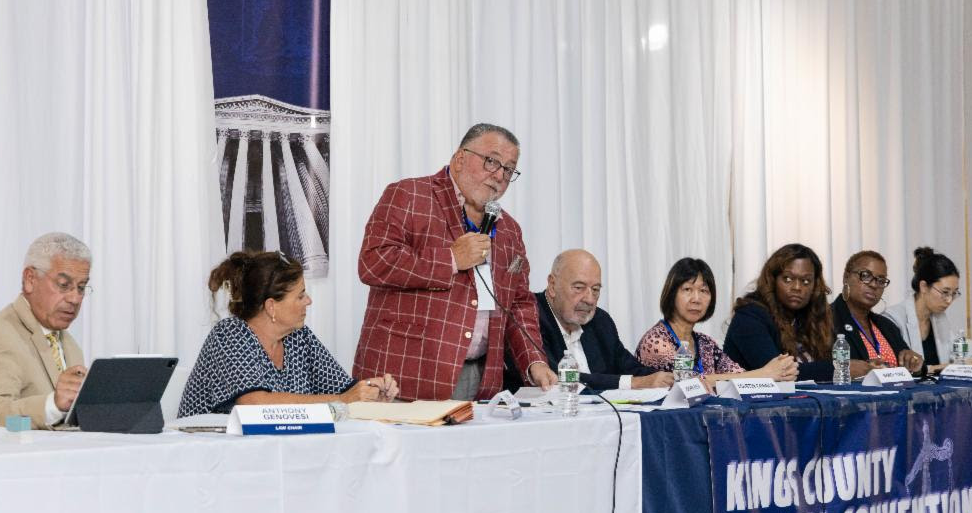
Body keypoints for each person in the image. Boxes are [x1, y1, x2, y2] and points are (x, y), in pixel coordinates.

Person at [352, 124, 557, 401]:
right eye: (491, 161)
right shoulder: (409, 195)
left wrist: (534, 361)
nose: (499, 175)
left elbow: (519, 303)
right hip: (405, 375)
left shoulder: (508, 229)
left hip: (481, 379)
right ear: (460, 158)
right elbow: (374, 262)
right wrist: (450, 259)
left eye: (509, 170)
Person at [178, 250, 398, 417]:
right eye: (300, 296)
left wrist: (371, 392)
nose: (309, 301)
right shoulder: (230, 334)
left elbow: (345, 390)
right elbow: (254, 404)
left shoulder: (299, 337)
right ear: (272, 306)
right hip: (212, 460)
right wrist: (342, 400)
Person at [0, 232, 91, 430]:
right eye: (64, 285)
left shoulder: (69, 344)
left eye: (81, 287)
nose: (75, 298)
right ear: (30, 279)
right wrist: (53, 405)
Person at [507, 249, 673, 393]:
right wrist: (635, 383)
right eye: (579, 288)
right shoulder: (529, 316)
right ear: (552, 285)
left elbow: (632, 368)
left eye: (595, 290)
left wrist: (673, 381)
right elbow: (559, 377)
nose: (589, 299)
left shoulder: (601, 321)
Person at [725, 243, 874, 382]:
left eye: (806, 281)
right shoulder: (750, 317)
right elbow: (779, 373)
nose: (797, 287)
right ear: (772, 280)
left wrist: (867, 367)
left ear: (815, 286)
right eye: (788, 279)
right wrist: (840, 368)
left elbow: (826, 361)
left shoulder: (810, 317)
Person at [636, 257, 798, 385]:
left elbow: (738, 375)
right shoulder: (656, 341)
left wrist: (782, 368)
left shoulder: (706, 343)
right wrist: (765, 373)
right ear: (672, 294)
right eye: (687, 290)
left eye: (704, 291)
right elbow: (690, 384)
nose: (696, 299)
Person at [832, 250, 924, 373]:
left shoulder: (887, 326)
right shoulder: (825, 320)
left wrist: (915, 362)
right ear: (846, 277)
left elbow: (913, 365)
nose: (874, 285)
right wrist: (841, 368)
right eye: (865, 276)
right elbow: (808, 368)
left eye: (881, 280)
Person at [882, 247, 962, 367]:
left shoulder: (940, 318)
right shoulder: (892, 319)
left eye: (954, 293)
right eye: (945, 292)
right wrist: (939, 368)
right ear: (924, 286)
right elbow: (894, 367)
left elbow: (955, 357)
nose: (949, 300)